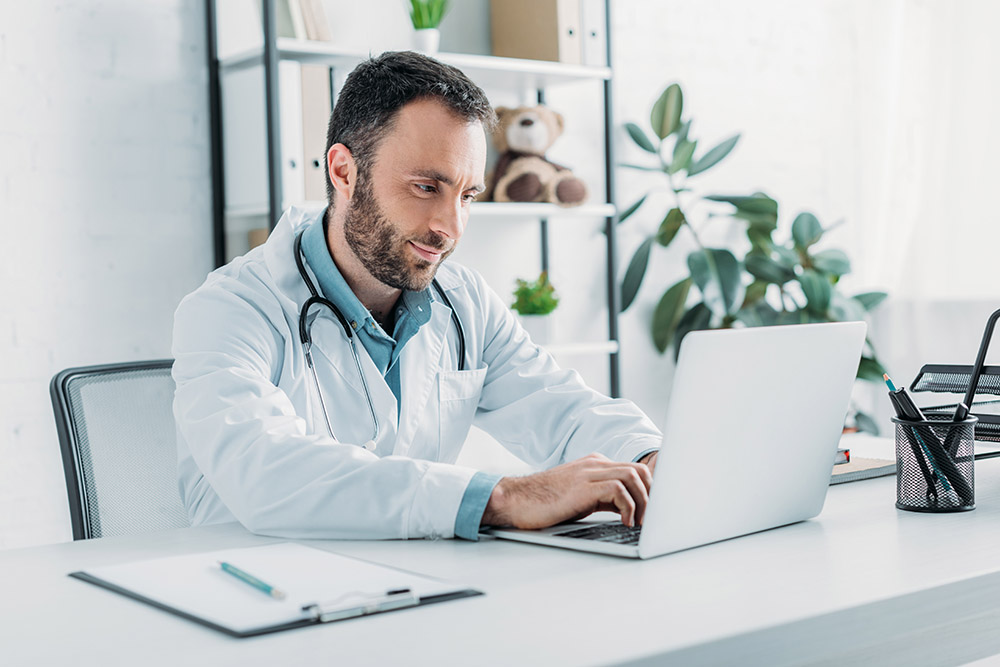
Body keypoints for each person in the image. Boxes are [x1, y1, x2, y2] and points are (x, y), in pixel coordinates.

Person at [173, 51, 661, 540]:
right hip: (260, 588)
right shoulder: (229, 310)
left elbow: (562, 408)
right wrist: (504, 498)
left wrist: (648, 461)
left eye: (467, 196)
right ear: (343, 172)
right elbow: (266, 472)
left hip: (412, 583)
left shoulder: (464, 301)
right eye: (426, 187)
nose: (450, 228)